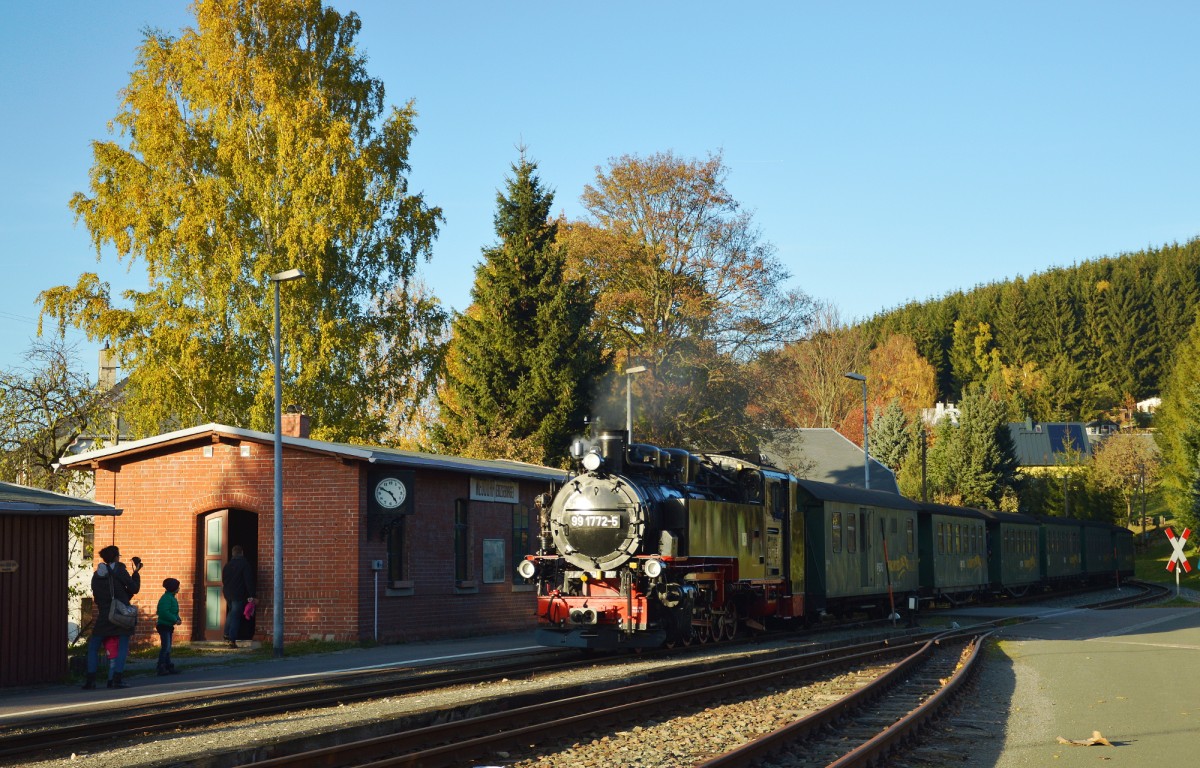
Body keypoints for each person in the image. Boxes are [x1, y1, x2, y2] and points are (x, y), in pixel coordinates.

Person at [82, 545, 142, 690]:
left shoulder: (96, 575)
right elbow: (134, 589)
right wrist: (136, 573)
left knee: (93, 647)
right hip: (120, 614)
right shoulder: (120, 570)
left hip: (104, 615)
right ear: (116, 557)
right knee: (122, 646)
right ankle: (117, 679)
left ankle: (90, 680)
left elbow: (96, 596)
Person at [221, 545, 256, 649]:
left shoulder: (227, 566)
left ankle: (226, 633)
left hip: (228, 593)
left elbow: (224, 580)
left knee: (232, 612)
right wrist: (252, 595)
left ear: (233, 553)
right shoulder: (244, 565)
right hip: (238, 594)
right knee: (235, 615)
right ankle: (232, 639)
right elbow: (248, 581)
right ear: (242, 553)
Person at [156, 577, 182, 675]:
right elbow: (163, 612)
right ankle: (161, 666)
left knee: (168, 647)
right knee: (165, 647)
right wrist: (175, 619)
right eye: (177, 587)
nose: (179, 588)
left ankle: (167, 665)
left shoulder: (171, 598)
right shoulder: (166, 598)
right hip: (163, 625)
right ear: (173, 588)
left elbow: (173, 611)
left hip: (168, 625)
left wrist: (177, 618)